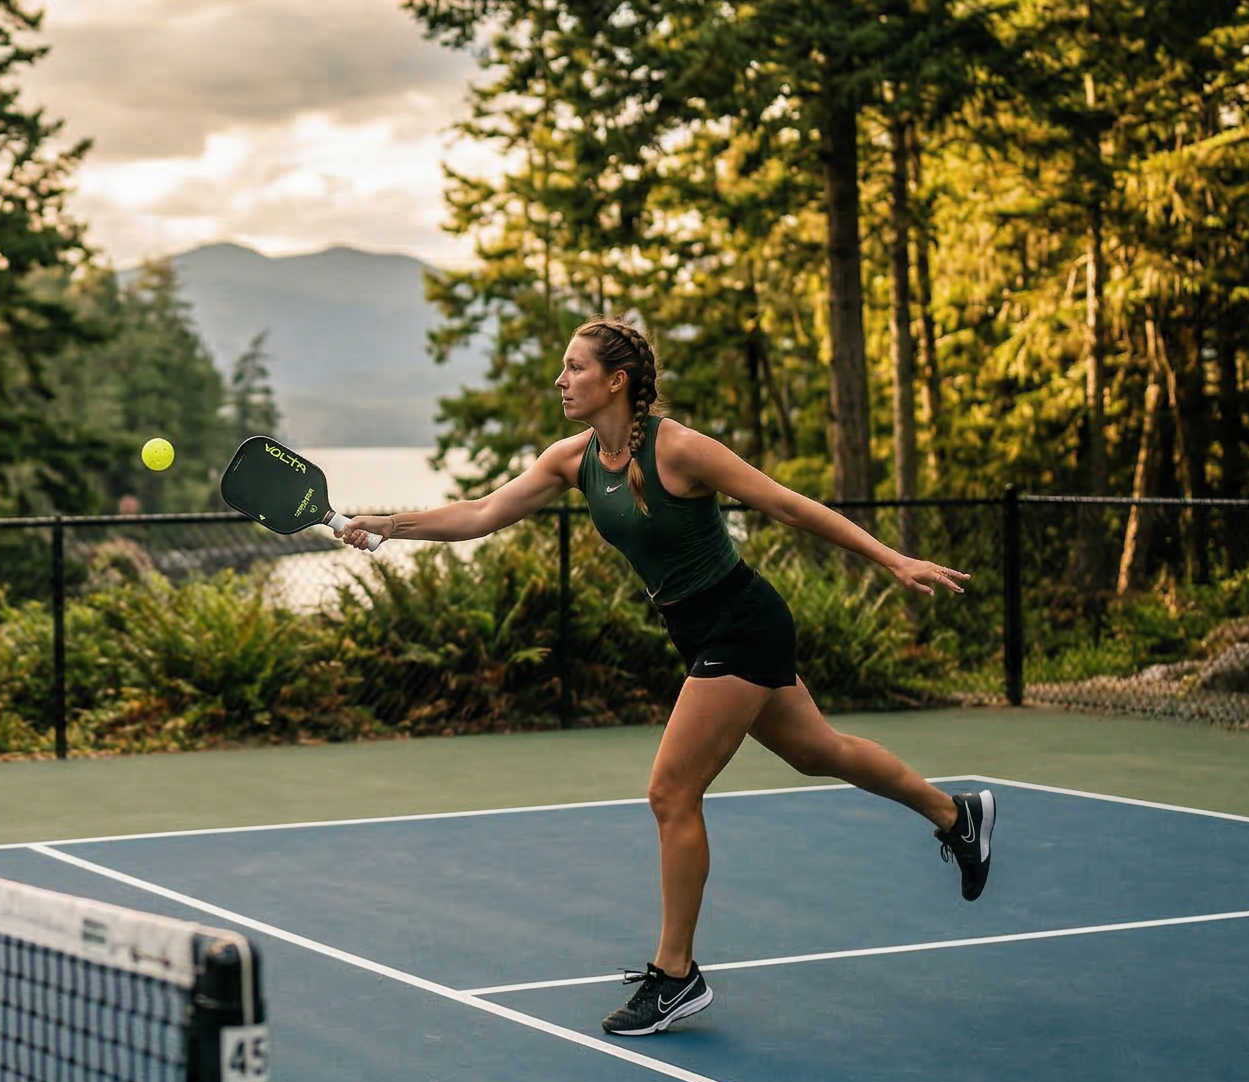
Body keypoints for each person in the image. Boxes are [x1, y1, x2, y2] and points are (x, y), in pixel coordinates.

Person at [336, 317, 992, 1037]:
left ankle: (676, 975)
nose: (561, 380)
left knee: (672, 792)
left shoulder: (678, 449)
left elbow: (786, 503)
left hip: (742, 623)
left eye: (574, 367)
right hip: (700, 631)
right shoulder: (572, 459)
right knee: (818, 752)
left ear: (615, 380)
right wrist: (391, 525)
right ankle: (956, 816)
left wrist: (891, 559)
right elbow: (483, 512)